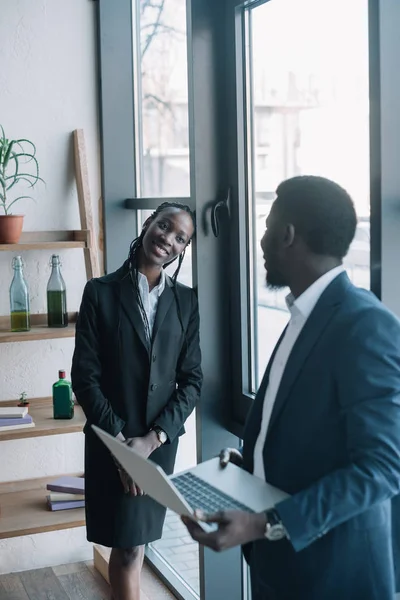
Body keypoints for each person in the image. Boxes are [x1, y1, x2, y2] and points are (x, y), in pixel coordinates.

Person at [183, 176, 400, 600]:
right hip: (281, 568)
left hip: (334, 576)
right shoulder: (305, 314)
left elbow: (382, 469)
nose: (260, 241)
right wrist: (252, 463)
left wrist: (264, 523)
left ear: (288, 235)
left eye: (266, 227)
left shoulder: (365, 325)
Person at [71, 202, 202, 600]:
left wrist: (152, 440)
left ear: (183, 249)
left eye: (181, 237)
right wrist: (123, 448)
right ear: (148, 224)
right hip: (113, 441)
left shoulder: (187, 301)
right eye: (164, 226)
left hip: (156, 447)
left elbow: (192, 380)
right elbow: (85, 377)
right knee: (127, 547)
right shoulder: (100, 292)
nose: (168, 239)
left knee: (136, 544)